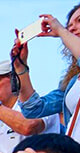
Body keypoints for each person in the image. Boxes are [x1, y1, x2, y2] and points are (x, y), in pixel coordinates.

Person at [16, 7, 80, 142]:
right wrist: (20, 66)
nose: (72, 29)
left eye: (79, 21)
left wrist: (61, 31)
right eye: (69, 26)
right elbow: (33, 109)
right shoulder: (73, 83)